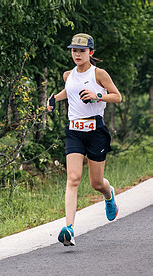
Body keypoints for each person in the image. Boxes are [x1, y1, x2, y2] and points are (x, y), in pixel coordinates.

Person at [47, 33, 122, 246]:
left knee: (96, 183)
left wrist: (98, 95)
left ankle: (109, 195)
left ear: (91, 52)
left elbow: (117, 96)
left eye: (81, 51)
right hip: (74, 131)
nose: (77, 54)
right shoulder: (68, 75)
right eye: (74, 50)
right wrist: (53, 98)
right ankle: (69, 228)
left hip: (96, 130)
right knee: (73, 178)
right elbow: (68, 92)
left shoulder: (99, 74)